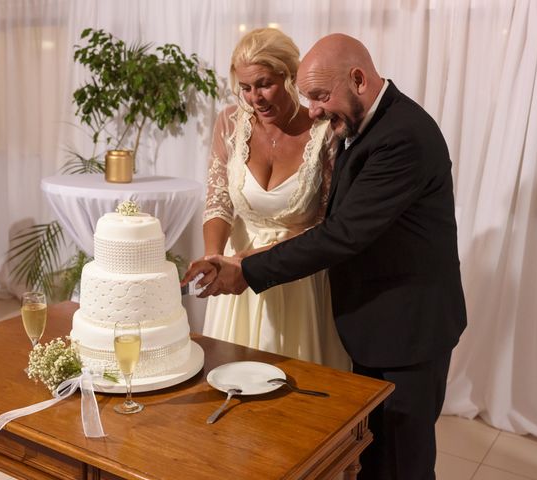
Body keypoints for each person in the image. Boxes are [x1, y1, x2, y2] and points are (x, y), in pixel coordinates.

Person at [186, 33, 467, 480]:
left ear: (358, 79)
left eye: (320, 96)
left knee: (400, 461)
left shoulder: (402, 136)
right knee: (366, 452)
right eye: (309, 97)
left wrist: (248, 267)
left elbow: (341, 233)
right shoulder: (364, 123)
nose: (314, 109)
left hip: (406, 329)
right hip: (371, 319)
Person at [186, 28, 349, 370]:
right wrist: (216, 257)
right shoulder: (229, 123)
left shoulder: (326, 132)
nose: (254, 97)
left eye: (263, 84)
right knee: (230, 381)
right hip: (236, 283)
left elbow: (325, 223)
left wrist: (250, 262)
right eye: (245, 87)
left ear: (290, 76)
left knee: (293, 390)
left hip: (297, 278)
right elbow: (218, 200)